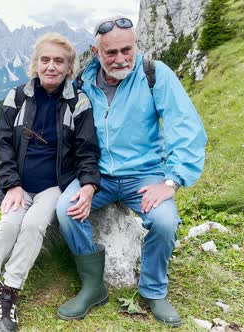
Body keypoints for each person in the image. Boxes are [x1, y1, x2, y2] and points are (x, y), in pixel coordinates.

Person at [55, 16, 207, 327]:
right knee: (66, 210)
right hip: (97, 176)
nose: (121, 58)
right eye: (111, 52)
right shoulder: (82, 83)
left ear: (135, 46)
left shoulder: (154, 75)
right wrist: (82, 181)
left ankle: (153, 291)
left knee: (164, 221)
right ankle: (93, 286)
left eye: (127, 49)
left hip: (145, 172)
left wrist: (172, 180)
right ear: (97, 53)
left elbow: (186, 127)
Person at [0, 32, 100, 332]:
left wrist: (88, 184)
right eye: (45, 60)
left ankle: (9, 290)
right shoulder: (19, 96)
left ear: (69, 68)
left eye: (59, 61)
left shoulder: (78, 102)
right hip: (19, 183)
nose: (51, 66)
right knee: (9, 224)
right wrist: (11, 184)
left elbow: (87, 150)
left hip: (54, 186)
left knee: (34, 225)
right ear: (35, 64)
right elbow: (4, 144)